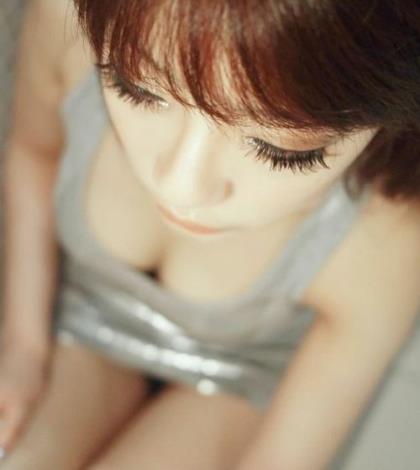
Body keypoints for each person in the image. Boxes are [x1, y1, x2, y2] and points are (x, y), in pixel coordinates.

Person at [1, 0, 420, 468]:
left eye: (280, 150)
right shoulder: (65, 16)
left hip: (233, 383)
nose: (180, 186)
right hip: (79, 321)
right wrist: (23, 345)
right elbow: (34, 152)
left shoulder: (387, 232)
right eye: (136, 87)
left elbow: (278, 459)